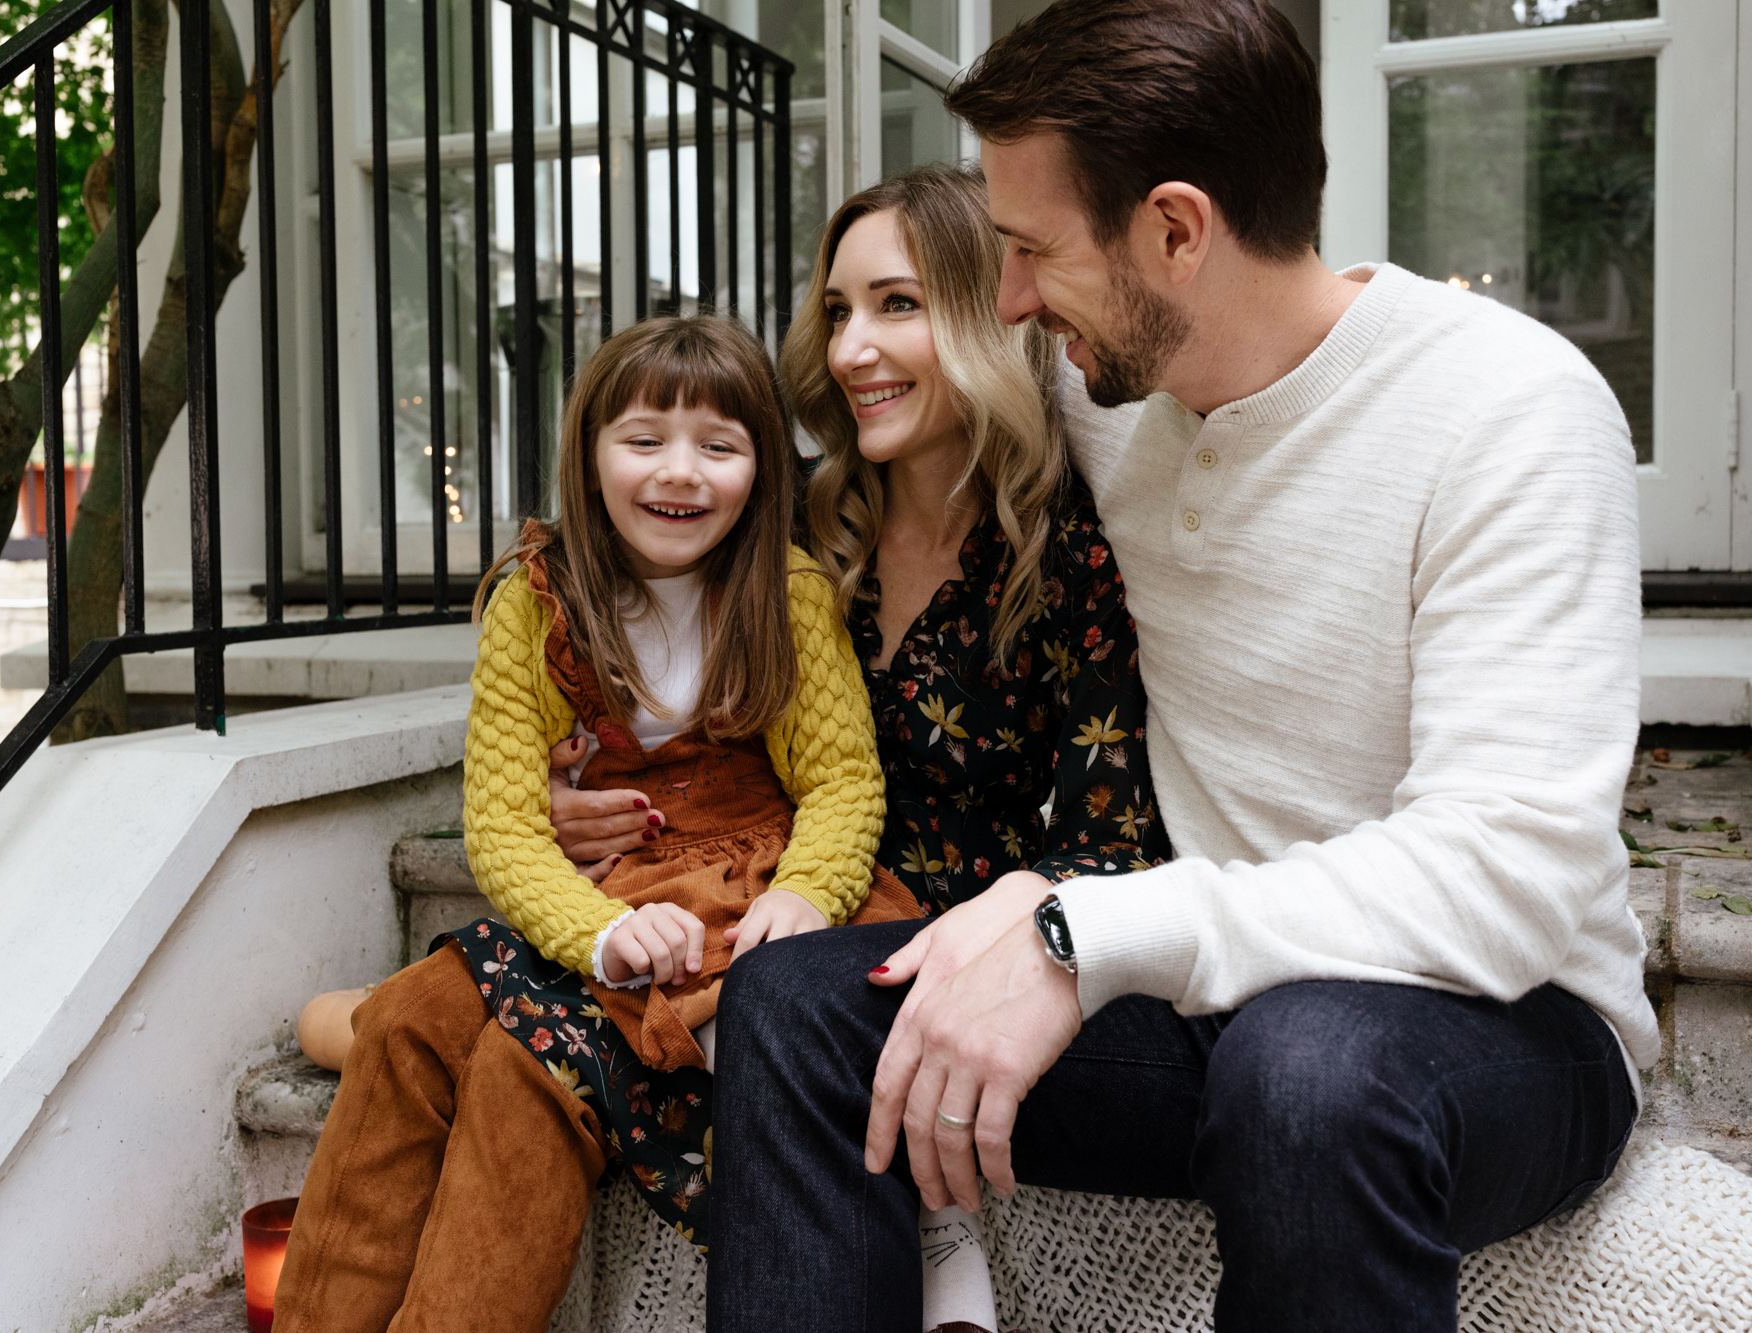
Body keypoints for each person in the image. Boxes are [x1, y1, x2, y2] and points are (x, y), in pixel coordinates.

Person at [701, 2, 1656, 1331]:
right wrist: (633, 721)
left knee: (1307, 1068)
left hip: (1499, 1019)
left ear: (1174, 231)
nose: (1010, 300)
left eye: (1030, 251)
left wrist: (1080, 930)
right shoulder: (1109, 393)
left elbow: (1509, 878)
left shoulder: (1510, 413)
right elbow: (904, 422)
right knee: (795, 1007)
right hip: (1203, 997)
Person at [548, 165, 1173, 1333]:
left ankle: (942, 1245)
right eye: (836, 311)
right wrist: (574, 790)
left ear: (984, 317)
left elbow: (1110, 842)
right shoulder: (789, 527)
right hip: (753, 900)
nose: (848, 350)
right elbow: (647, 689)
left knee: (775, 1005)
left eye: (896, 305)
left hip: (954, 947)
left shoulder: (1065, 556)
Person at [272, 315, 922, 1333]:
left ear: (762, 466)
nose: (680, 471)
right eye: (644, 439)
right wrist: (602, 932)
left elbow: (842, 780)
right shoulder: (537, 605)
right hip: (601, 898)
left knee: (526, 1063)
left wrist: (808, 892)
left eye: (719, 444)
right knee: (400, 1024)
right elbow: (502, 827)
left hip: (735, 884)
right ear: (588, 452)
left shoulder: (784, 594)